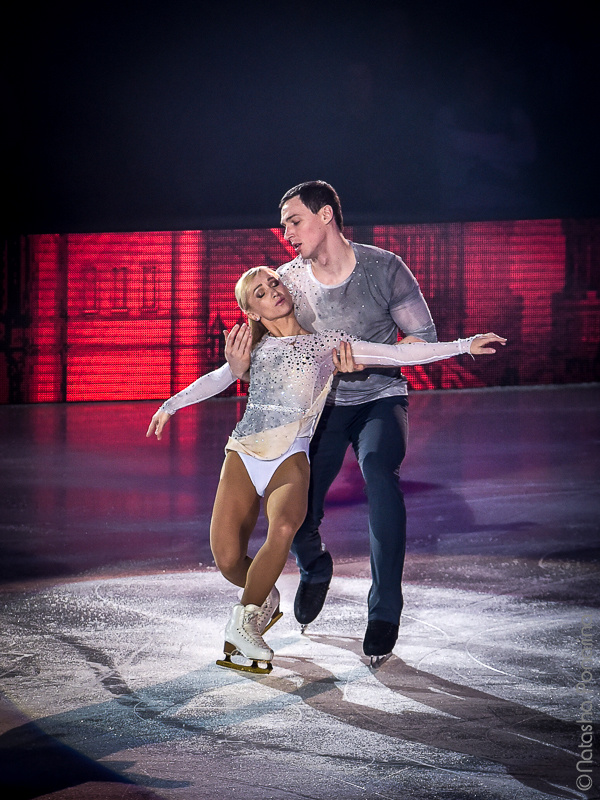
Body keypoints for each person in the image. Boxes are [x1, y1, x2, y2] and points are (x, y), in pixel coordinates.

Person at [149, 264, 505, 672]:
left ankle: (244, 625)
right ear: (253, 312)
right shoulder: (254, 348)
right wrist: (170, 404)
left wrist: (463, 345)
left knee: (284, 526)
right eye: (260, 293)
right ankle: (262, 597)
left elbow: (399, 353)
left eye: (273, 282)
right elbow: (218, 378)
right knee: (228, 560)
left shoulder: (328, 345)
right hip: (244, 453)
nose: (272, 291)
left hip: (292, 457)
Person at [225, 181, 441, 663]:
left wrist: (367, 361)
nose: (286, 234)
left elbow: (423, 340)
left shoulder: (384, 268)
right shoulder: (286, 280)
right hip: (317, 411)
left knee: (381, 478)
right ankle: (315, 565)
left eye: (294, 222)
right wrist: (237, 367)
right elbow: (263, 349)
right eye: (284, 226)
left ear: (326, 217)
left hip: (381, 399)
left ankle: (384, 609)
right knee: (298, 514)